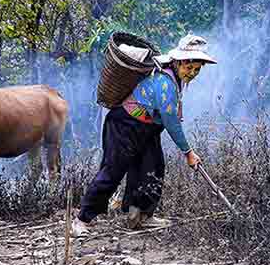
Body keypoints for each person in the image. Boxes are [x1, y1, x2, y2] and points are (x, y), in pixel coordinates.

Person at [73, 34, 217, 236]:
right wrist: (188, 152)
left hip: (147, 128)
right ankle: (82, 219)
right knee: (113, 171)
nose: (192, 73)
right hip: (124, 124)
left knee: (153, 167)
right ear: (178, 62)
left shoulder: (174, 78)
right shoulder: (165, 83)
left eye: (196, 69)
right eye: (188, 67)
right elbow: (171, 121)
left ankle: (140, 215)